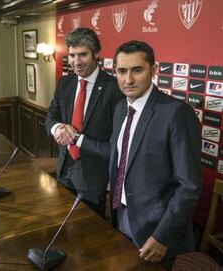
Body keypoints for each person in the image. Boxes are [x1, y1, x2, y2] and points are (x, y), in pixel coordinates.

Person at [81, 40, 201, 269]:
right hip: (120, 216)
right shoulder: (119, 109)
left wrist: (162, 236)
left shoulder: (176, 113)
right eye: (121, 71)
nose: (128, 79)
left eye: (137, 70)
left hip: (157, 232)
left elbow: (189, 187)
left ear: (154, 70)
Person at [45, 27, 123, 217]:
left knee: (87, 234)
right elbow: (50, 117)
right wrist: (58, 129)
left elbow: (116, 147)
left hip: (93, 178)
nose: (76, 62)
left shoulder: (115, 89)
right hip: (63, 170)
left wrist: (77, 138)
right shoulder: (65, 83)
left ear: (96, 53)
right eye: (72, 55)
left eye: (83, 55)